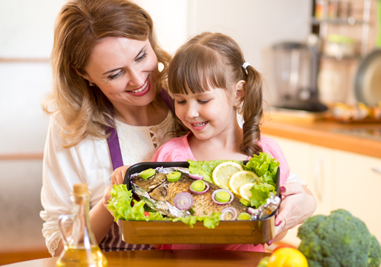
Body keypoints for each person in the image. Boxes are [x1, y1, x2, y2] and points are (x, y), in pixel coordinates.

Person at [150, 32, 317, 251]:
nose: (190, 112)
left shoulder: (265, 154)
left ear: (238, 93)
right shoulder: (169, 156)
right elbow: (152, 235)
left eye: (203, 100)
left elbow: (276, 232)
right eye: (180, 100)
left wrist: (278, 222)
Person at [40, 0, 175, 256]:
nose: (138, 80)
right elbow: (60, 245)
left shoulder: (192, 104)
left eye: (141, 56)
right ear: (83, 73)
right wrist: (109, 203)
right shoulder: (71, 129)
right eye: (115, 74)